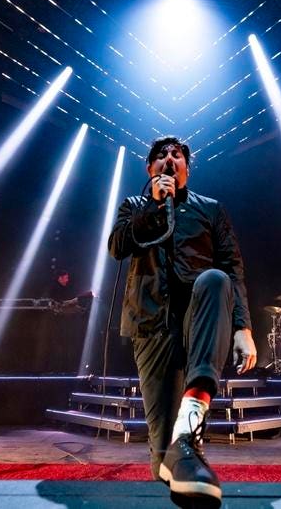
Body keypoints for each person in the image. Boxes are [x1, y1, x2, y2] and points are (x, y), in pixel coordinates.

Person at [108, 136, 257, 506]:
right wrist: (155, 206)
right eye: (161, 155)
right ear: (149, 169)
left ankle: (190, 424)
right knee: (163, 459)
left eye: (177, 155)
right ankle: (179, 452)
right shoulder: (135, 206)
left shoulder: (211, 209)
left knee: (215, 279)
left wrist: (243, 328)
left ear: (187, 168)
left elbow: (232, 267)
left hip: (199, 318)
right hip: (151, 323)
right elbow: (117, 247)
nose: (169, 158)